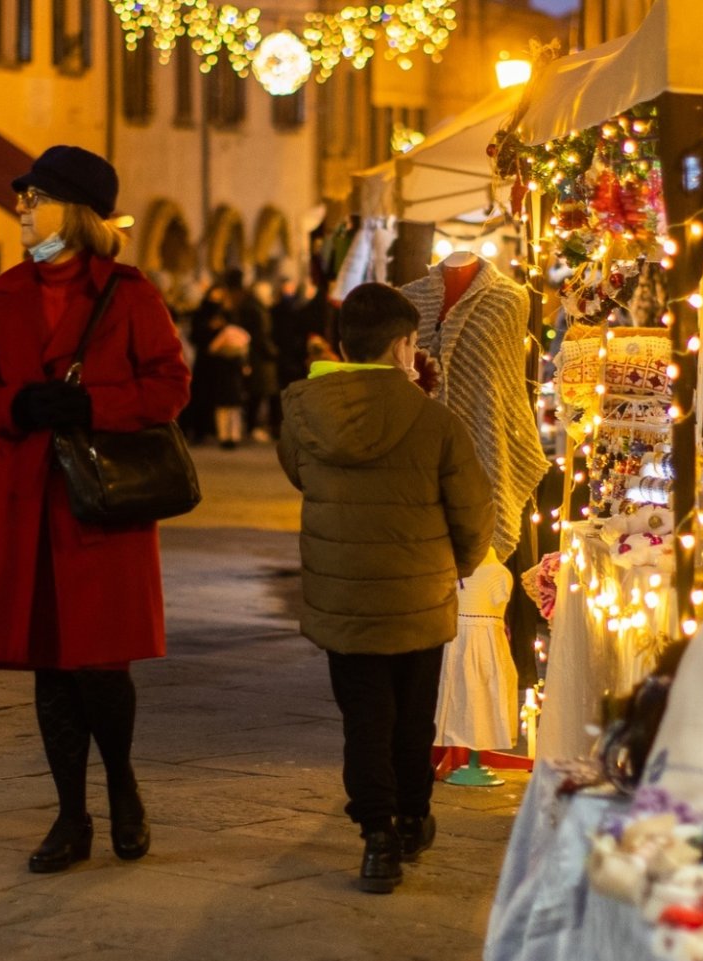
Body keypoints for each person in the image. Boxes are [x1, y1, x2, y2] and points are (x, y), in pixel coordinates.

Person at [0, 145, 190, 875]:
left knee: (102, 666)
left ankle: (122, 786)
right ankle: (69, 814)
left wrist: (93, 404)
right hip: (27, 500)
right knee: (49, 666)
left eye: (36, 197)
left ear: (77, 212)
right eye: (22, 197)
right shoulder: (2, 294)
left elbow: (170, 387)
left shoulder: (129, 292)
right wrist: (14, 405)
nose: (21, 207)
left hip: (100, 506)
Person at [278, 282, 494, 894]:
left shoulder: (302, 410)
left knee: (364, 718)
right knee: (411, 717)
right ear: (405, 345)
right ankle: (410, 818)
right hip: (418, 597)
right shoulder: (434, 418)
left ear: (344, 345)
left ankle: (376, 839)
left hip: (343, 598)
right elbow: (473, 513)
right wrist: (459, 562)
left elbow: (299, 474)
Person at [185, 287, 249, 448]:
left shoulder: (228, 314)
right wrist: (209, 329)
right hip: (206, 362)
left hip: (224, 363)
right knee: (204, 396)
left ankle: (221, 433)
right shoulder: (201, 314)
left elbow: (236, 333)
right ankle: (201, 430)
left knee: (225, 400)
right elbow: (195, 336)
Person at [219, 269, 275, 441]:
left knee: (254, 393)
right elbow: (259, 333)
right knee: (255, 393)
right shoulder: (252, 306)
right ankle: (251, 426)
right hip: (257, 356)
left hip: (255, 355)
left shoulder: (246, 306)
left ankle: (249, 426)